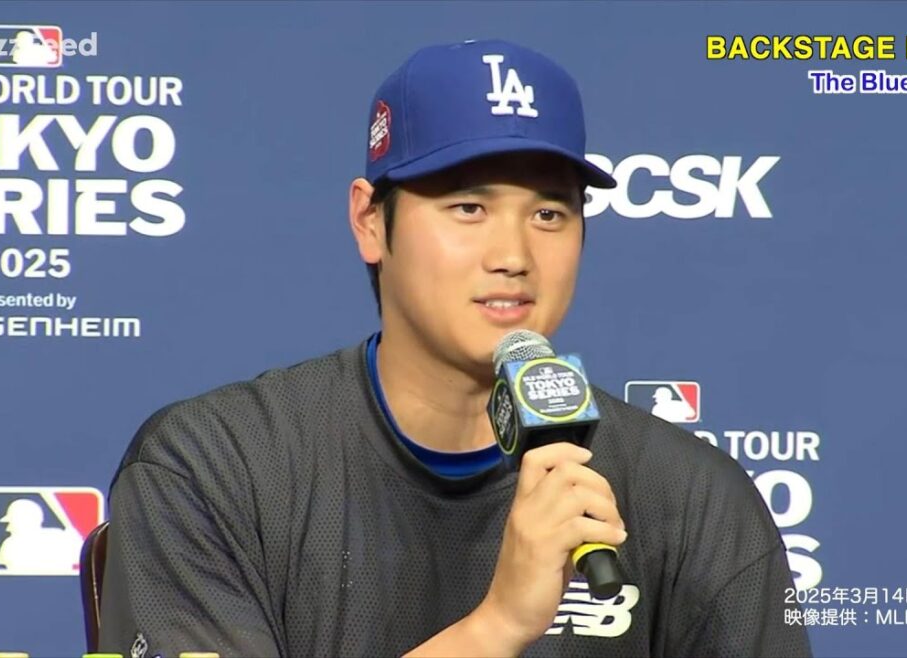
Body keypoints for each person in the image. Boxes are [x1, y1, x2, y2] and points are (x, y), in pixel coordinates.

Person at [98, 38, 812, 658]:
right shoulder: (215, 467)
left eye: (549, 212)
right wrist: (497, 626)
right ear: (370, 223)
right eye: (468, 207)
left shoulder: (690, 497)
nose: (513, 254)